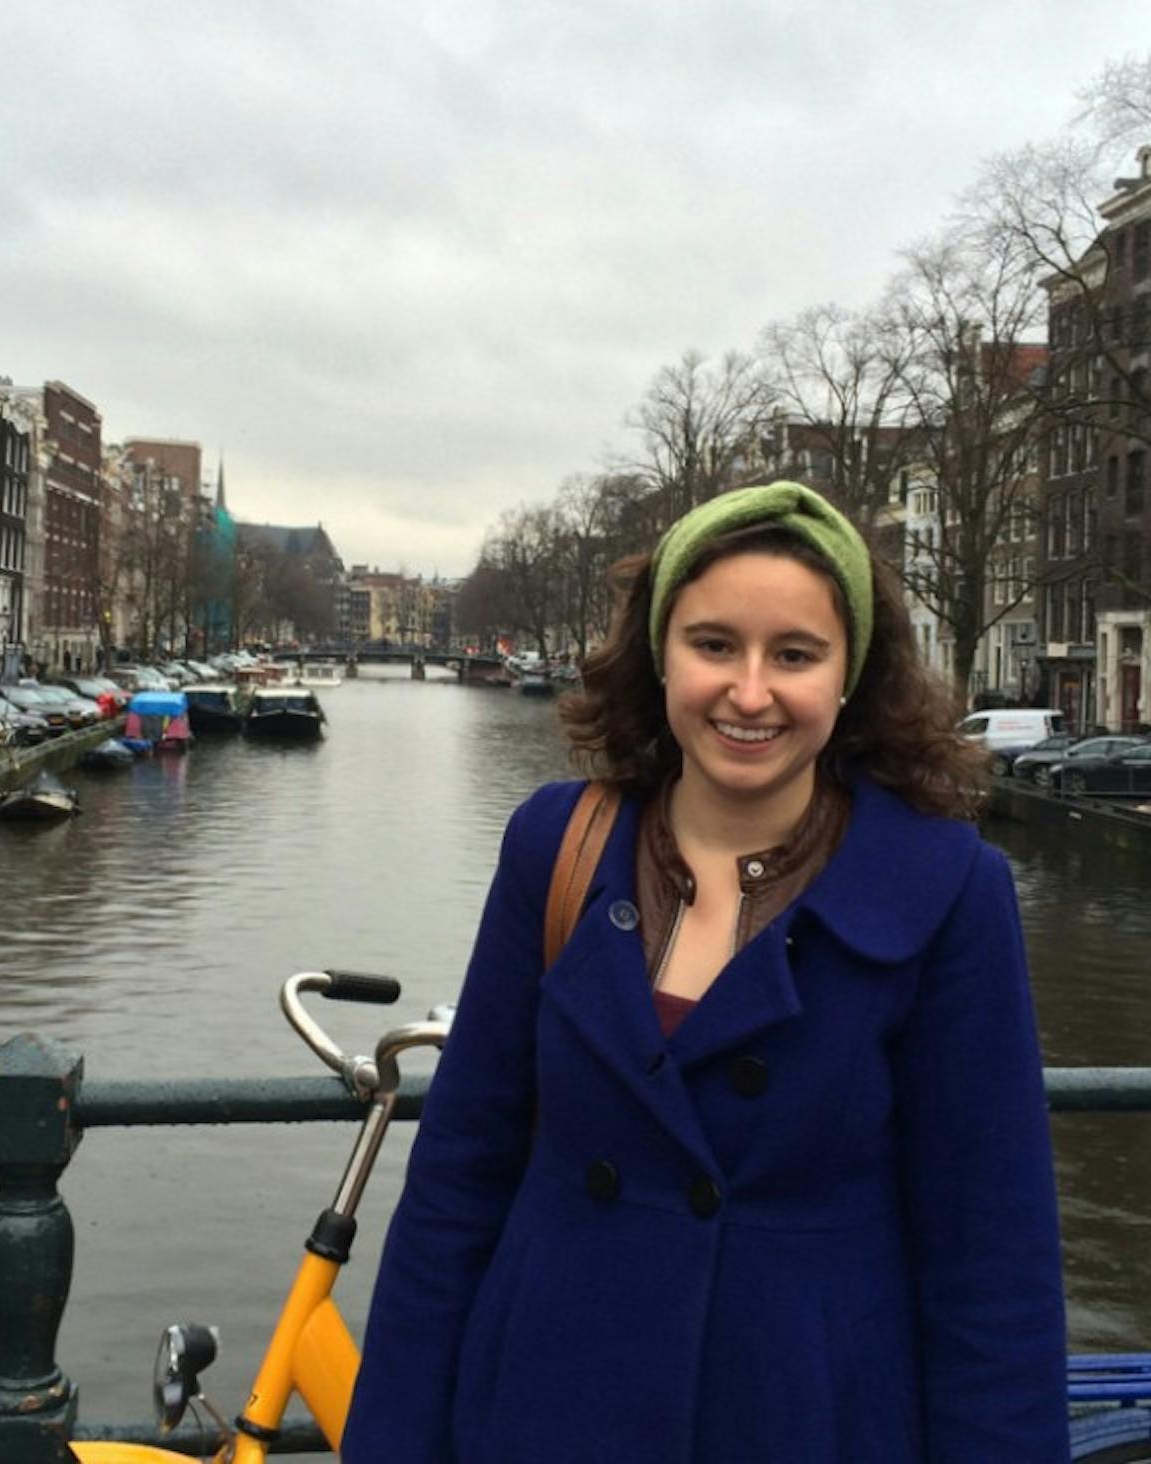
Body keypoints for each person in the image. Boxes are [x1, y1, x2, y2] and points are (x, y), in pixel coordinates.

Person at [343, 483, 1067, 1463]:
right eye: (714, 644)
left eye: (795, 655)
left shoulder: (946, 893)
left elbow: (992, 1265)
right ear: (658, 653)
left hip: (800, 1417)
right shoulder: (553, 849)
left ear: (850, 674)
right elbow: (457, 1180)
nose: (750, 690)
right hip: (544, 1408)